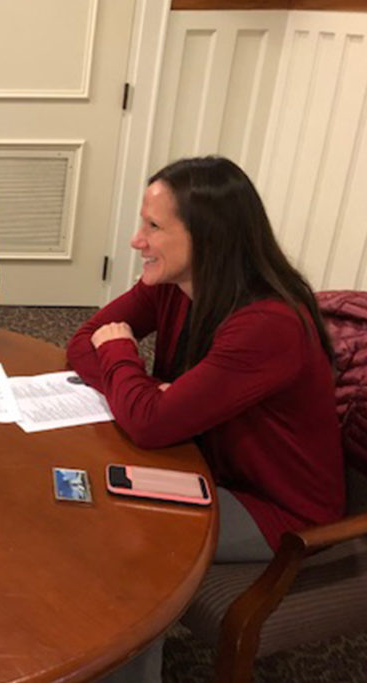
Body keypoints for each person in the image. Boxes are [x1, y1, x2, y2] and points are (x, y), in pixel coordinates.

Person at [66, 156, 344, 682]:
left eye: (153, 227)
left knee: (132, 553)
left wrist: (128, 369)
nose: (136, 241)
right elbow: (83, 342)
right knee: (84, 499)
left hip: (277, 510)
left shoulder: (267, 324)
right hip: (199, 463)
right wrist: (143, 394)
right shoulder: (172, 283)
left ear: (208, 238)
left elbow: (147, 420)